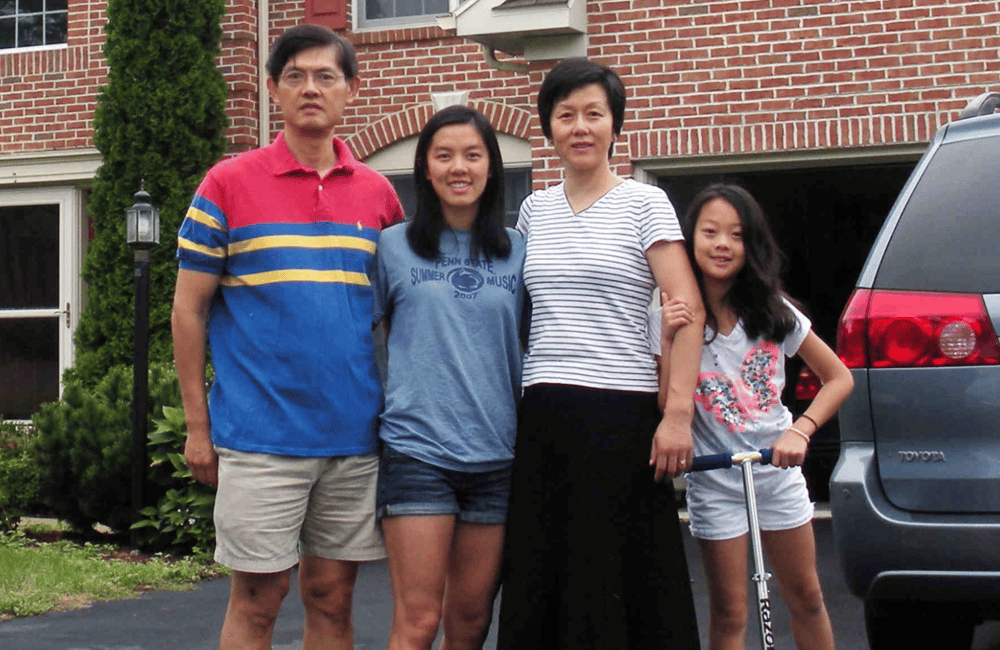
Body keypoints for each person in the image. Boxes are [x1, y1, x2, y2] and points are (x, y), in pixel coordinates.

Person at [171, 24, 403, 650]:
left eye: (326, 76)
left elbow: (395, 316)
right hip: (259, 438)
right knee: (257, 600)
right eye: (295, 76)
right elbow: (188, 312)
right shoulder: (227, 183)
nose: (310, 88)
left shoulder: (380, 196)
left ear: (351, 90)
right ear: (272, 89)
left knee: (332, 597)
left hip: (354, 438)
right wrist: (198, 427)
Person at [496, 57, 705, 650]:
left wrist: (677, 416)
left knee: (620, 581)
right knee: (548, 576)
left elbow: (687, 310)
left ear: (615, 125)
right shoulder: (534, 211)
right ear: (549, 127)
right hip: (544, 415)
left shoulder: (645, 204)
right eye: (566, 115)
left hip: (623, 416)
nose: (580, 127)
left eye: (594, 114)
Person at [649, 183, 853, 650]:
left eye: (736, 235)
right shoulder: (670, 314)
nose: (722, 244)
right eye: (710, 232)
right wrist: (666, 340)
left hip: (775, 471)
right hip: (715, 479)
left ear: (751, 245)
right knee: (729, 610)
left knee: (806, 595)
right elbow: (667, 410)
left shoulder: (774, 313)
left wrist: (800, 431)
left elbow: (838, 378)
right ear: (689, 240)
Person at [372, 105, 526, 650]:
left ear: (491, 169)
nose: (458, 167)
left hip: (497, 457)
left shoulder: (518, 252)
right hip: (418, 454)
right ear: (425, 169)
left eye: (472, 155)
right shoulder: (392, 246)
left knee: (471, 622)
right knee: (417, 621)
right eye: (443, 155)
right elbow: (364, 339)